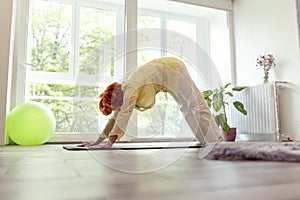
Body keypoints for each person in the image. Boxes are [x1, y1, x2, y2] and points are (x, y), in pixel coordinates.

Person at [78, 57, 221, 148]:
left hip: (173, 68)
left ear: (117, 99)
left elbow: (124, 116)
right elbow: (115, 118)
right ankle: (204, 140)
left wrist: (109, 143)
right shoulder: (124, 91)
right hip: (166, 78)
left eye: (115, 107)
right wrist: (98, 141)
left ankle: (215, 141)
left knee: (196, 104)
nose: (117, 110)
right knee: (185, 108)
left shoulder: (130, 90)